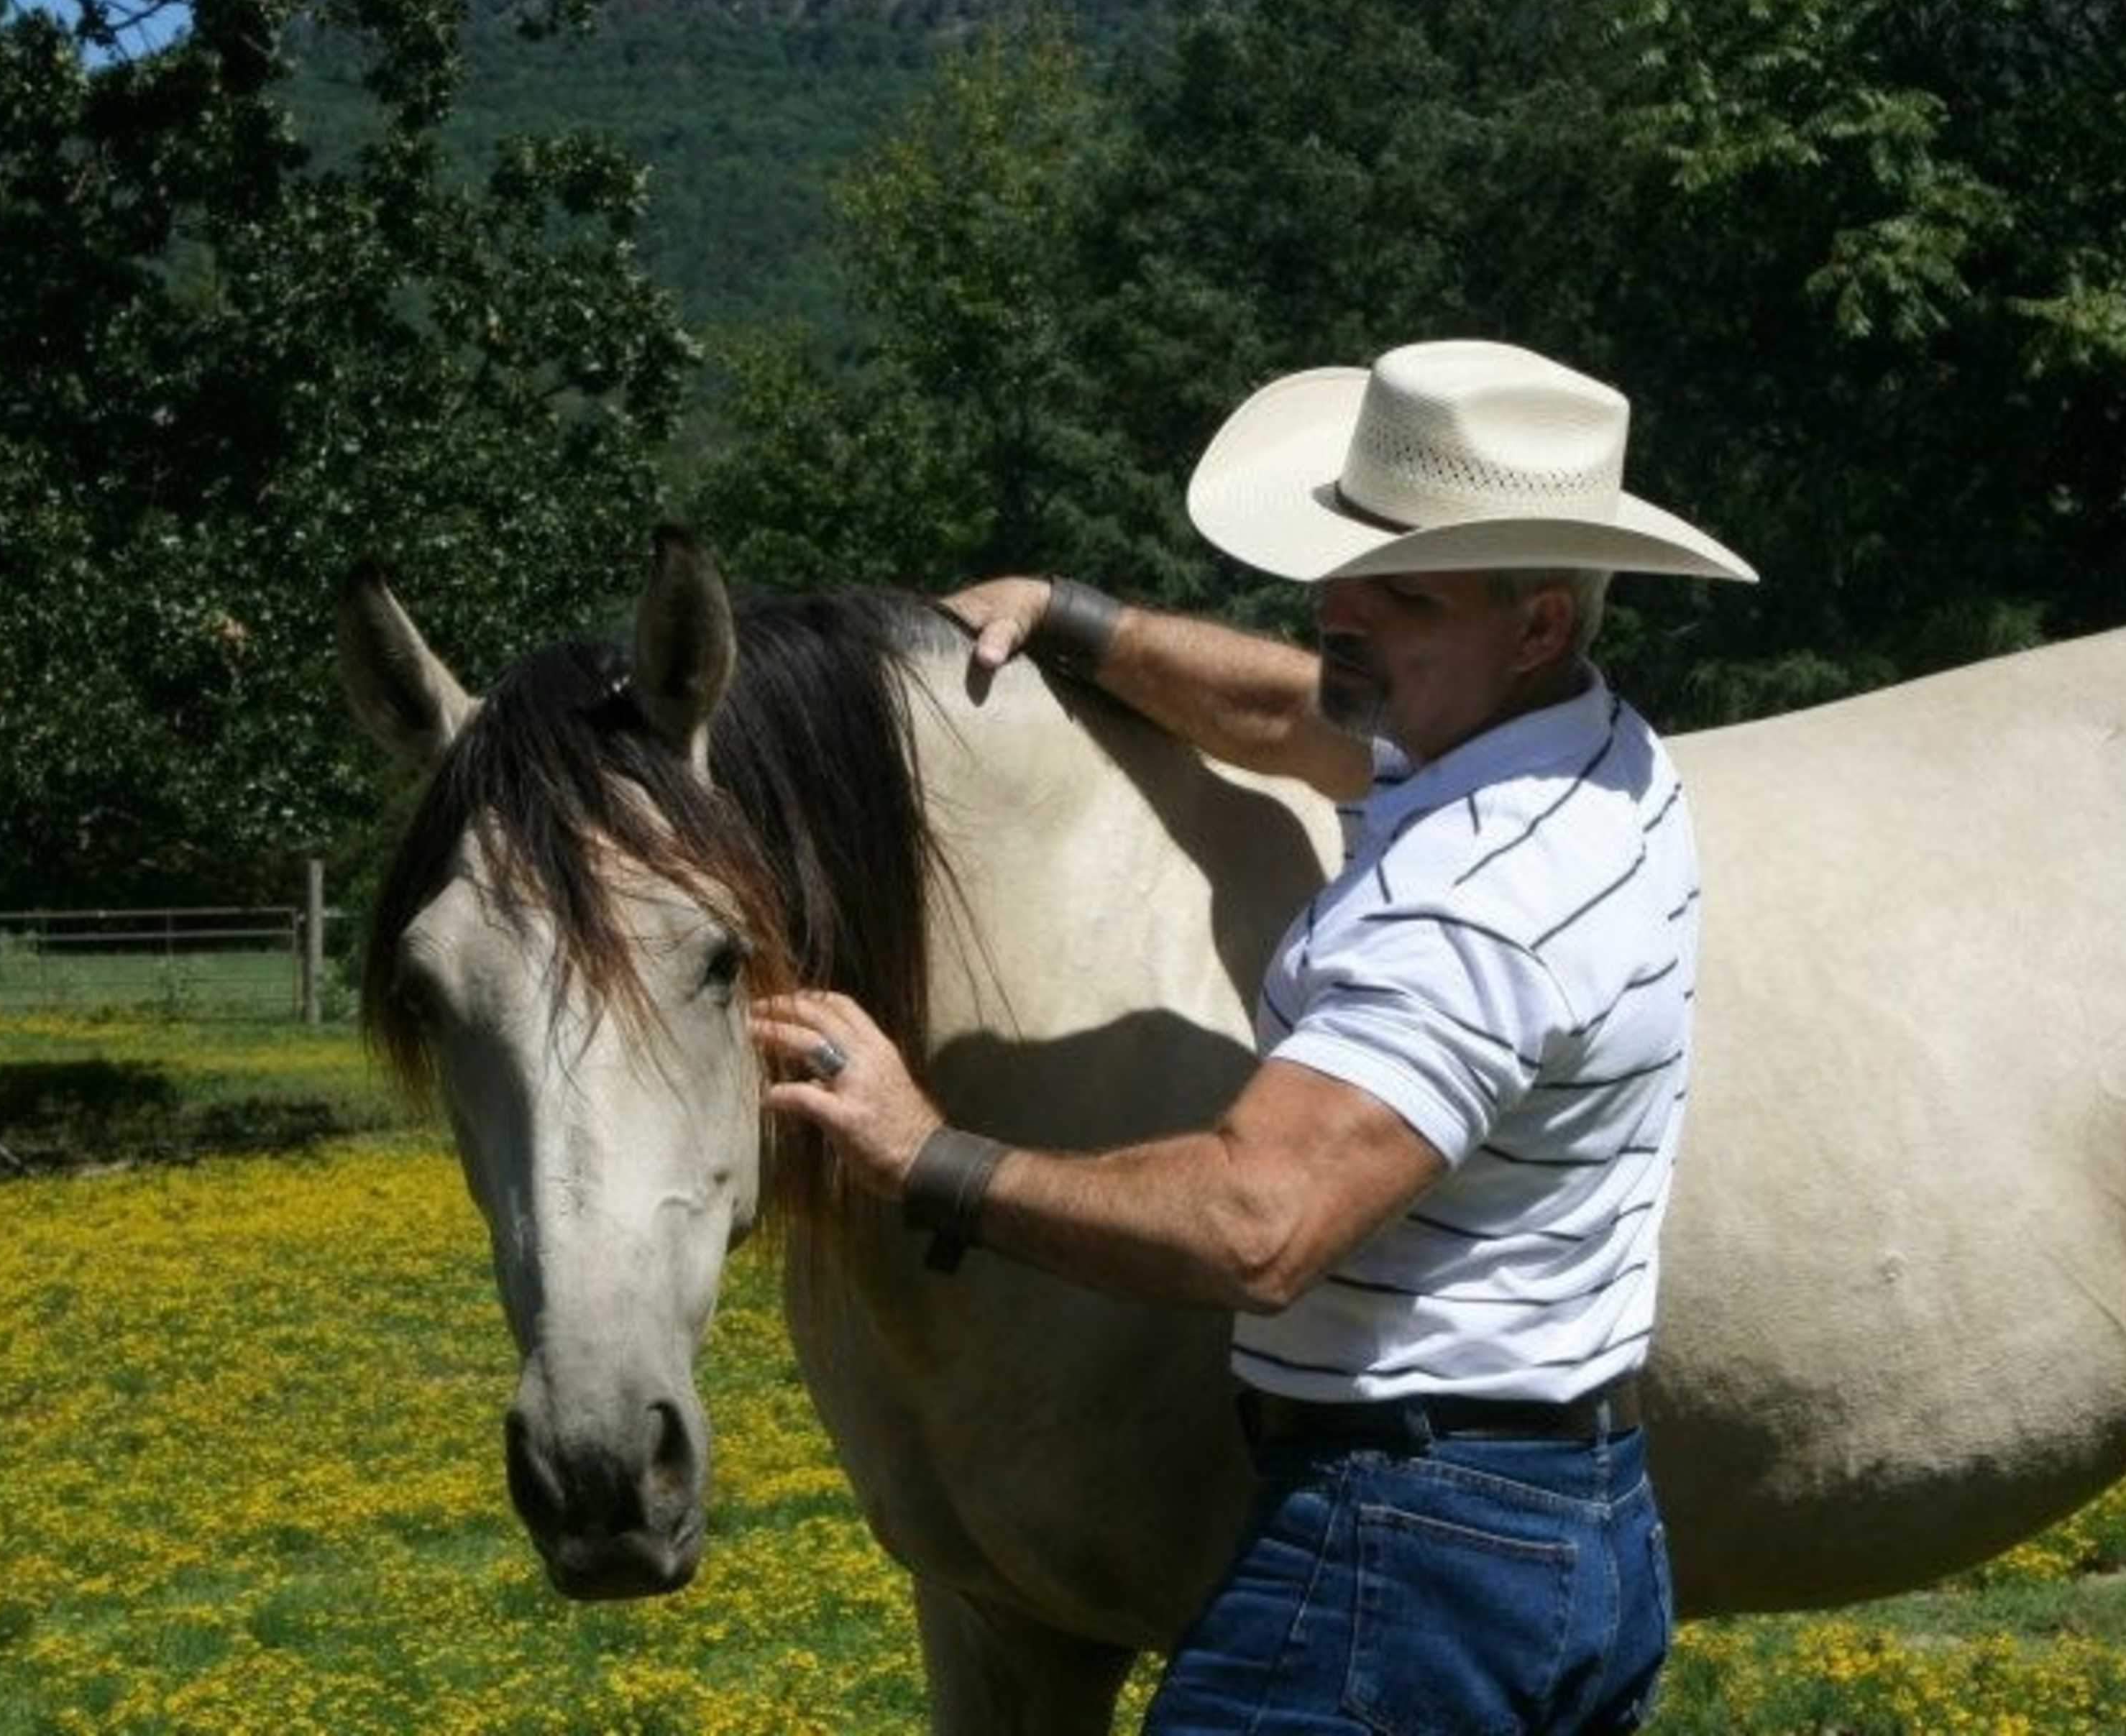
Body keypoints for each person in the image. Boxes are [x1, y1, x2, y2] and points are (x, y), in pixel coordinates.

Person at [752, 338, 1755, 1734]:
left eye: (1396, 590)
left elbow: (1257, 1222)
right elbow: (1290, 707)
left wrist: (930, 1156)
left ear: (1532, 621)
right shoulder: (1570, 739)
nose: (1338, 606)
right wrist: (1076, 616)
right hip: (1565, 1523)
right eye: (1344, 561)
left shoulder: (1477, 890)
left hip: (1406, 1559)